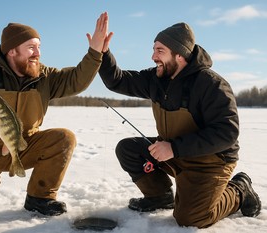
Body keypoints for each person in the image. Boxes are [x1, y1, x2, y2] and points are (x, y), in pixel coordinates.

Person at [0, 12, 110, 221]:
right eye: (31, 47)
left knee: (64, 138)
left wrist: (95, 52)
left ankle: (39, 198)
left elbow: (75, 80)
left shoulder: (44, 76)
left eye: (39, 47)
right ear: (12, 51)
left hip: (23, 144)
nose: (38, 53)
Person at [98, 22, 261, 228]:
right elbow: (117, 80)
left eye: (160, 51)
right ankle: (159, 196)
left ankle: (239, 190)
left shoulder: (211, 85)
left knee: (191, 218)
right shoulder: (156, 78)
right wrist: (103, 53)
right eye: (153, 49)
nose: (153, 57)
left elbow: (227, 132)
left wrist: (174, 148)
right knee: (129, 149)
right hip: (174, 153)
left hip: (210, 162)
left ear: (180, 55)